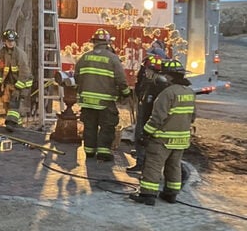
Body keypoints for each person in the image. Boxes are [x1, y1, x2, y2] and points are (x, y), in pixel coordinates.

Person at [129, 59, 196, 205]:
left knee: (153, 165)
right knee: (174, 165)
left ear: (169, 76)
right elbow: (192, 116)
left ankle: (147, 195)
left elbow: (157, 118)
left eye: (164, 74)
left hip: (162, 138)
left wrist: (145, 133)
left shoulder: (167, 93)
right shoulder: (190, 92)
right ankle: (171, 194)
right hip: (181, 139)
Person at [74, 28, 131, 161]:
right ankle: (103, 153)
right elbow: (121, 79)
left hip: (87, 100)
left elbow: (76, 76)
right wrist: (126, 93)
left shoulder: (85, 57)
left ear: (94, 42)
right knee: (107, 126)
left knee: (90, 126)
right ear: (108, 43)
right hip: (105, 101)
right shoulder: (113, 58)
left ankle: (89, 151)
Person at [126, 50, 170, 173]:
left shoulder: (157, 84)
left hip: (149, 115)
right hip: (145, 112)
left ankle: (142, 163)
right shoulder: (151, 81)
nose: (145, 72)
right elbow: (139, 91)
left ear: (152, 70)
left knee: (143, 137)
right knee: (141, 137)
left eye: (146, 70)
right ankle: (142, 161)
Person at [0, 29, 32, 131]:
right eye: (8, 41)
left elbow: (24, 73)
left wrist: (18, 88)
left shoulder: (20, 54)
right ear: (5, 41)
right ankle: (17, 125)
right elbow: (0, 69)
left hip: (22, 83)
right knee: (6, 103)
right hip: (9, 83)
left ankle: (11, 124)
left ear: (15, 41)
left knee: (14, 103)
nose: (10, 43)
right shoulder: (2, 53)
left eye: (12, 41)